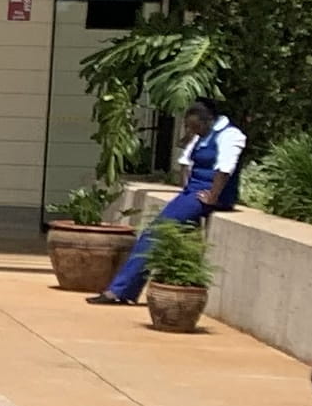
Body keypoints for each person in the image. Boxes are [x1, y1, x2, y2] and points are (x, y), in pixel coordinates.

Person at [104, 96, 248, 301]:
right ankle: (126, 290)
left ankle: (119, 291)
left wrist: (213, 197)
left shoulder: (230, 135)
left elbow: (226, 168)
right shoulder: (202, 136)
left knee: (154, 233)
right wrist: (185, 188)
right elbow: (184, 161)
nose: (193, 131)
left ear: (207, 121)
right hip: (192, 193)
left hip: (210, 195)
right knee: (167, 236)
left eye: (195, 127)